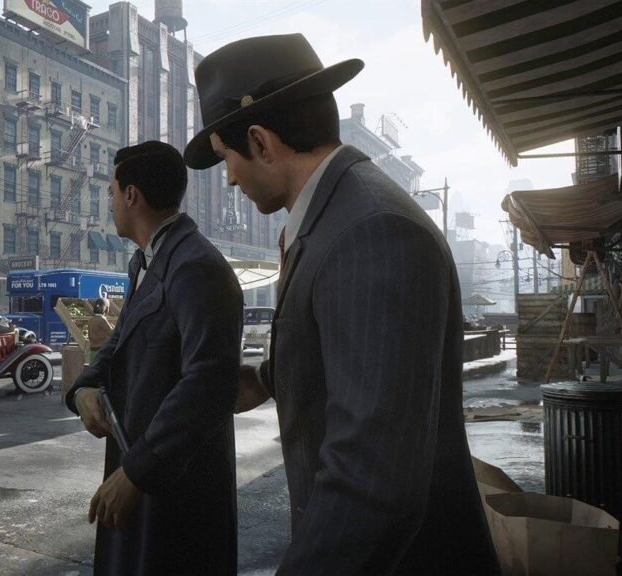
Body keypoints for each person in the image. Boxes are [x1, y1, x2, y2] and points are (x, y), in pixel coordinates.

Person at [184, 33, 500, 574]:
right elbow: (355, 357)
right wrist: (265, 377)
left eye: (226, 158)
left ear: (260, 141)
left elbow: (370, 481)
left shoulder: (371, 231)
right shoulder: (336, 217)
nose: (230, 178)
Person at [65, 141, 243, 575]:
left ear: (131, 196)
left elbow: (208, 382)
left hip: (176, 485)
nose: (108, 202)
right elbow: (120, 340)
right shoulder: (146, 261)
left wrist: (138, 472)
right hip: (143, 470)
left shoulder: (196, 265)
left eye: (111, 192)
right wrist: (84, 387)